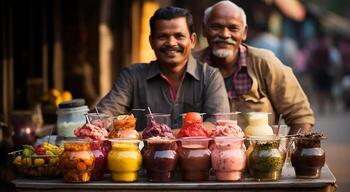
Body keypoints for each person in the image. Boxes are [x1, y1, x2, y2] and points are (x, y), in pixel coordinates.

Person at [97, 6, 230, 130]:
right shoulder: (132, 77)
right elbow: (105, 114)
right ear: (151, 41)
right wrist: (100, 124)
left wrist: (162, 136)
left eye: (179, 36)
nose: (171, 43)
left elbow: (217, 124)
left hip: (196, 154)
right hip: (142, 155)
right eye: (163, 36)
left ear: (192, 40)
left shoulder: (210, 76)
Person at [194, 1, 314, 135]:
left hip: (259, 154)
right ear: (204, 30)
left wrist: (286, 151)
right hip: (204, 154)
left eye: (233, 28)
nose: (225, 34)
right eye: (216, 27)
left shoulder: (264, 63)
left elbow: (301, 116)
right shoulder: (192, 65)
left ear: (244, 32)